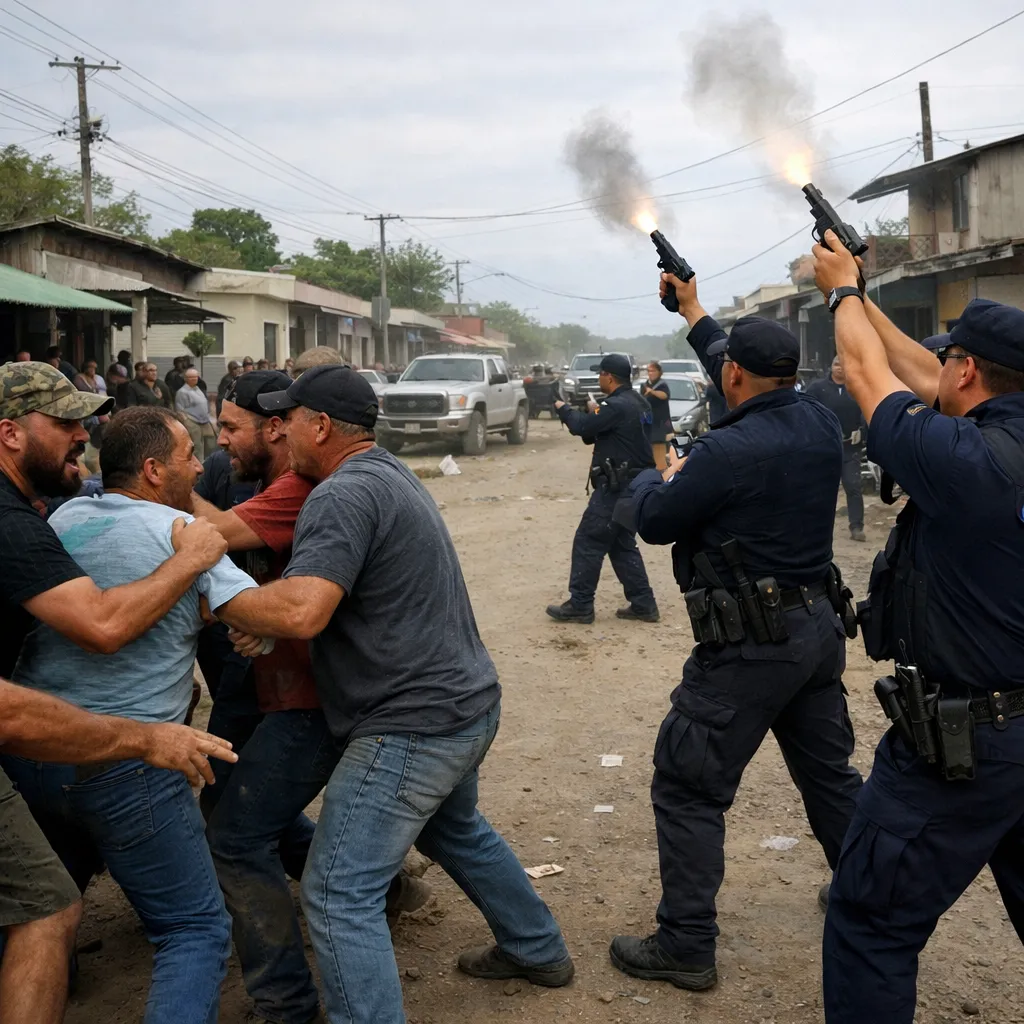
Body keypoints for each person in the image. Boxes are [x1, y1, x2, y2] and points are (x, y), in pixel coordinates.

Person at [209, 365, 574, 1024]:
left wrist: (228, 603)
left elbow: (303, 613)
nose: (279, 432)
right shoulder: (386, 472)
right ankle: (536, 946)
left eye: (286, 420)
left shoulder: (339, 495)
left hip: (414, 723)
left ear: (318, 425)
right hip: (466, 702)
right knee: (455, 831)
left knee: (336, 889)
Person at [608, 272, 863, 992]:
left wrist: (657, 475)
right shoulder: (814, 415)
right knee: (829, 777)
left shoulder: (723, 453)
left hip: (749, 646)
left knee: (688, 784)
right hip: (815, 632)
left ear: (732, 378)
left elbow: (655, 523)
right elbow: (731, 355)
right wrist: (691, 307)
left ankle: (686, 944)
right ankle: (866, 892)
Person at [4, 405, 274, 1024]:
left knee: (44, 901)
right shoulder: (186, 535)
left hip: (37, 751)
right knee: (193, 929)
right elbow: (259, 615)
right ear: (154, 470)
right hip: (130, 760)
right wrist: (254, 630)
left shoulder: (64, 516)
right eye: (187, 456)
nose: (199, 466)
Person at [812, 236, 1024, 1023]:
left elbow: (873, 375)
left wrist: (838, 296)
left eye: (951, 361)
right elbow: (912, 366)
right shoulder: (1001, 440)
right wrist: (863, 294)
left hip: (965, 746)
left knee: (870, 925)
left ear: (965, 371)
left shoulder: (967, 458)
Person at [192, 370, 427, 1024]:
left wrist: (157, 482)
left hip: (318, 699)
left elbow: (292, 607)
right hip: (307, 690)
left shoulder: (314, 489)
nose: (227, 440)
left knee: (241, 835)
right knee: (240, 806)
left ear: (305, 427)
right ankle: (400, 892)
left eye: (240, 427)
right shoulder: (329, 479)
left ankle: (288, 1004)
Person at [547, 353, 660, 624]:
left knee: (589, 540)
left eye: (600, 374)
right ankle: (644, 604)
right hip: (636, 485)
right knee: (621, 544)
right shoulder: (640, 402)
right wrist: (593, 411)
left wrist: (562, 407)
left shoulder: (615, 405)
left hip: (616, 487)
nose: (599, 378)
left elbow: (581, 427)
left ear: (609, 377)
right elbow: (595, 434)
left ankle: (581, 605)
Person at [807, 355, 867, 541]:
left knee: (853, 486)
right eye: (836, 364)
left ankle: (856, 527)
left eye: (844, 364)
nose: (840, 368)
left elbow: (866, 410)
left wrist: (861, 430)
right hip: (825, 448)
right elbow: (806, 410)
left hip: (850, 448)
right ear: (831, 367)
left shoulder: (856, 388)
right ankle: (817, 527)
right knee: (822, 488)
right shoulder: (818, 388)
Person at [175, 367, 217, 460]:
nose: (194, 379)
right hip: (192, 420)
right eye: (191, 377)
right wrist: (186, 422)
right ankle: (199, 466)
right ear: (186, 379)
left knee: (211, 442)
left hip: (205, 420)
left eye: (196, 377)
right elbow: (180, 410)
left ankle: (209, 462)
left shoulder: (197, 388)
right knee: (197, 445)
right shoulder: (182, 392)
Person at [641, 361, 672, 470]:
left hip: (660, 422)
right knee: (648, 446)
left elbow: (664, 396)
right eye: (649, 371)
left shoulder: (662, 385)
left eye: (653, 371)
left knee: (660, 446)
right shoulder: (644, 385)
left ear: (659, 372)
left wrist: (652, 392)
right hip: (648, 421)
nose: (650, 373)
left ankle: (662, 470)